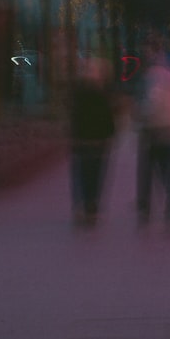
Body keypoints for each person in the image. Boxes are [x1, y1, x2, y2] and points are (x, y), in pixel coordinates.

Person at [135, 39, 170, 226]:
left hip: (156, 128)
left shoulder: (153, 76)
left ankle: (145, 207)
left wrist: (142, 116)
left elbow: (152, 100)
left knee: (149, 168)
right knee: (169, 167)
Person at [69, 56, 117, 228]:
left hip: (82, 141)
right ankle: (92, 207)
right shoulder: (101, 95)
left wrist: (74, 137)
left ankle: (81, 206)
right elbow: (107, 118)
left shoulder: (78, 95)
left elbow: (75, 118)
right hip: (98, 142)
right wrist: (110, 134)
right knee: (96, 175)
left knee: (81, 174)